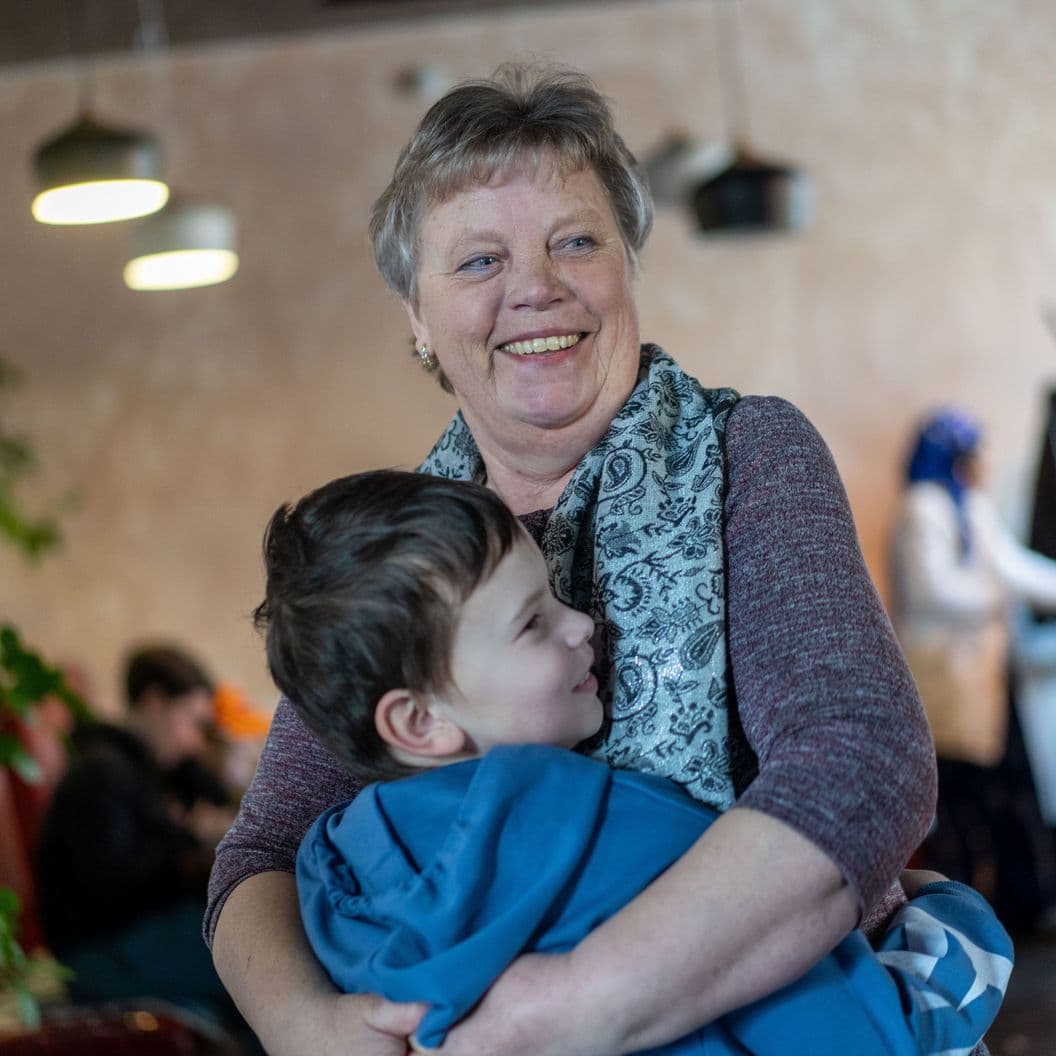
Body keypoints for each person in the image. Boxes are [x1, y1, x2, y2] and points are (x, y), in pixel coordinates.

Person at [207, 65, 939, 1056]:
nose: (535, 287)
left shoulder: (749, 454)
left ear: (628, 265)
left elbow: (861, 757)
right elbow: (263, 848)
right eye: (476, 262)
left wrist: (574, 1007)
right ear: (418, 320)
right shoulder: (391, 550)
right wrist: (308, 1027)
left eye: (577, 241)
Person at [257, 469, 1011, 1056]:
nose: (583, 624)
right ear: (419, 721)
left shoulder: (329, 869)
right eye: (533, 623)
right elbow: (789, 972)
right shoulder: (585, 811)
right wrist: (938, 911)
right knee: (950, 914)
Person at [35, 645, 257, 1050]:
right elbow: (114, 887)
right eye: (191, 722)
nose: (193, 742)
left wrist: (208, 767)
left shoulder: (141, 768)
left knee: (254, 938)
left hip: (124, 942)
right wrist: (189, 843)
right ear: (154, 701)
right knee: (258, 947)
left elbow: (215, 798)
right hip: (97, 958)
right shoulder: (102, 773)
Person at [890, 408, 1056, 932]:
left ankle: (1017, 900)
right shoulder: (923, 508)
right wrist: (997, 597)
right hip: (942, 678)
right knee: (959, 797)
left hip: (979, 679)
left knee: (1001, 792)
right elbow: (934, 590)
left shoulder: (970, 507)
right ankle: (958, 908)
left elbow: (1011, 564)